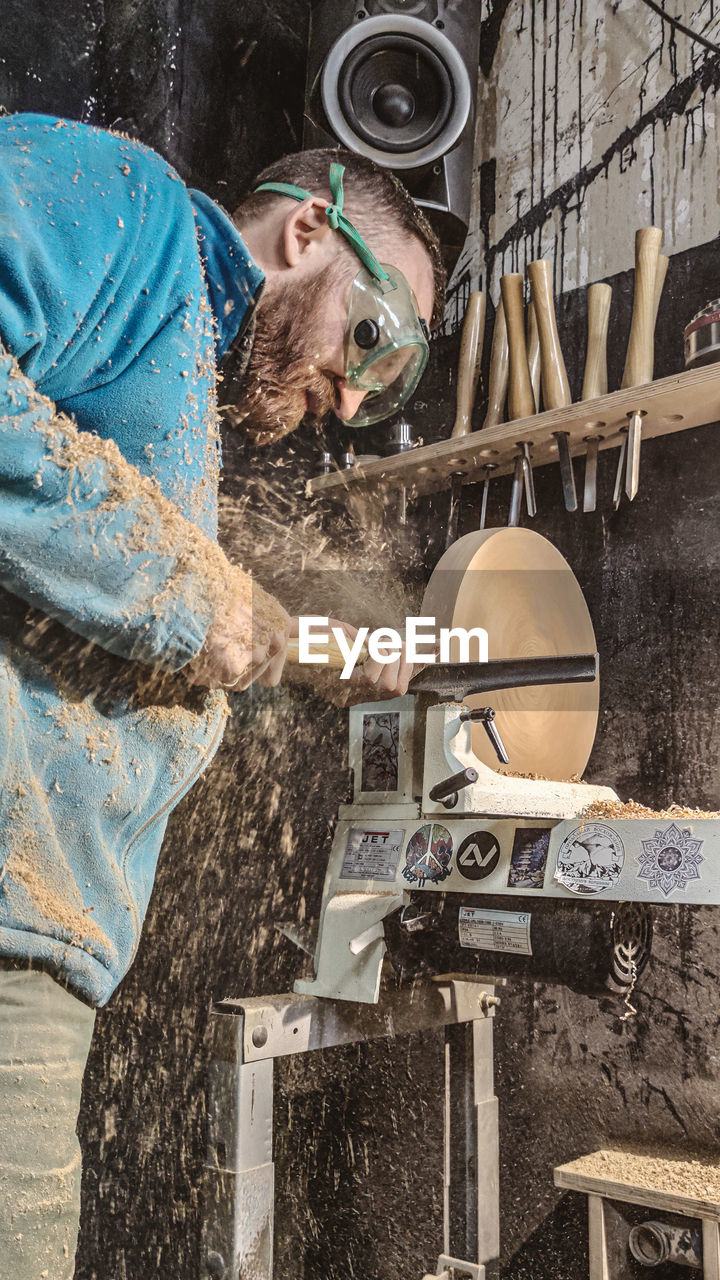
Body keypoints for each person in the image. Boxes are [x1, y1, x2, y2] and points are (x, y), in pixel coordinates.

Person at [0, 113, 445, 1277]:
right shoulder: (128, 205)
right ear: (308, 230)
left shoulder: (176, 405)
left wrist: (300, 649)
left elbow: (114, 603)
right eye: (376, 336)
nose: (358, 397)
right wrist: (197, 602)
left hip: (38, 944)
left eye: (394, 381)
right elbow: (163, 593)